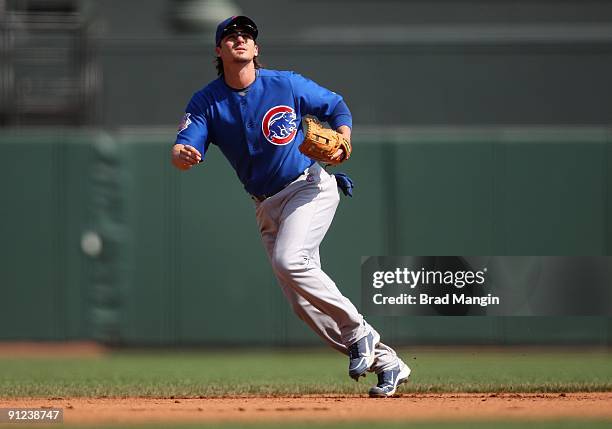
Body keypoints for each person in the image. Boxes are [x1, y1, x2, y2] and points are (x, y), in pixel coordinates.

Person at [170, 15, 410, 397]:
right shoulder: (207, 102)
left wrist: (344, 138)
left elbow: (337, 106)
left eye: (247, 35)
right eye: (231, 36)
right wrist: (183, 154)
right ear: (219, 50)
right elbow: (187, 145)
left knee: (289, 260)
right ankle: (387, 362)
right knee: (302, 305)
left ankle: (359, 331)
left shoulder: (286, 84)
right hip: (266, 206)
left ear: (256, 48)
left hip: (307, 188)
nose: (240, 40)